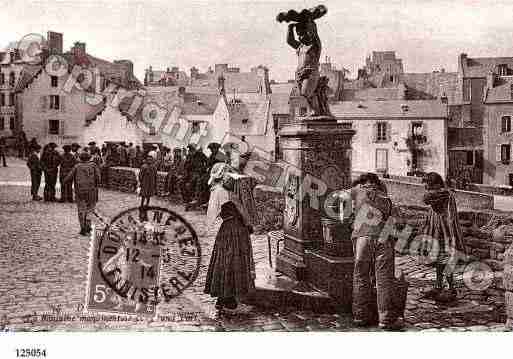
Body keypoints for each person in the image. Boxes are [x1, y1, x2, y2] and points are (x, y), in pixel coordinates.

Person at [204, 162, 255, 311]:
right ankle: (228, 298)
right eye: (228, 174)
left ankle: (223, 297)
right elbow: (241, 211)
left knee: (224, 260)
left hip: (226, 228)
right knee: (233, 260)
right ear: (223, 175)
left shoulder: (216, 190)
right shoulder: (227, 192)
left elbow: (214, 213)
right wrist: (249, 224)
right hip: (236, 229)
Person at [350, 173, 397, 329]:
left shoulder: (356, 191)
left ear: (363, 183)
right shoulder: (386, 198)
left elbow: (337, 200)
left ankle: (360, 317)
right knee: (384, 280)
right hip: (383, 239)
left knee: (360, 277)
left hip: (362, 239)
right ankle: (385, 320)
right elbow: (394, 221)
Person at [421, 172, 466, 302]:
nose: (427, 187)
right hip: (437, 231)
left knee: (447, 260)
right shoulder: (440, 193)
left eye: (429, 185)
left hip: (447, 232)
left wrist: (452, 235)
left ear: (436, 184)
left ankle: (452, 289)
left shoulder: (445, 194)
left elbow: (426, 199)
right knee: (438, 260)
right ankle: (439, 285)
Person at [64, 151, 101, 236]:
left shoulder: (77, 166)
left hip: (80, 191)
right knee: (90, 209)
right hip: (92, 191)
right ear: (89, 158)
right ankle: (88, 226)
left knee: (81, 210)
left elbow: (68, 178)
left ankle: (83, 228)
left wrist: (65, 182)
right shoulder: (94, 165)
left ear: (80, 158)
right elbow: (99, 178)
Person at [137, 152, 158, 221]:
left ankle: (147, 204)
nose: (149, 160)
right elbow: (140, 175)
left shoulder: (154, 167)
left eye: (150, 159)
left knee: (148, 195)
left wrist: (154, 184)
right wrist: (141, 182)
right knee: (143, 195)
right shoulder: (144, 166)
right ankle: (142, 205)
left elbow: (155, 176)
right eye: (148, 159)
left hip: (151, 183)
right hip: (145, 183)